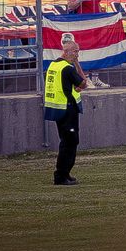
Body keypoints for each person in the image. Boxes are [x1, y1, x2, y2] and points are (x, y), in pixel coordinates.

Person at [44, 35, 89, 185]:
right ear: (67, 52)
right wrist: (77, 64)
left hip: (57, 109)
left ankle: (65, 173)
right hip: (67, 109)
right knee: (70, 142)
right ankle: (61, 175)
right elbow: (83, 83)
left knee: (67, 142)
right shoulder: (67, 68)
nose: (77, 55)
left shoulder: (53, 65)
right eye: (76, 52)